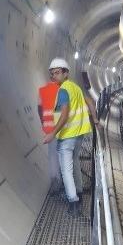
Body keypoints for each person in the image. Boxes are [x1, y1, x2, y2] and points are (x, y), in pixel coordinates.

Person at [43, 58, 99, 215]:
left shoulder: (63, 91)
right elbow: (89, 102)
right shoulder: (75, 87)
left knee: (66, 170)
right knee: (74, 164)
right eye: (52, 74)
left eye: (58, 73)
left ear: (66, 73)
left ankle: (73, 202)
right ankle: (79, 193)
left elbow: (65, 113)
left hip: (67, 136)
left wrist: (52, 134)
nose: (54, 76)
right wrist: (94, 119)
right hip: (79, 134)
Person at [38, 59, 62, 189]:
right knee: (63, 154)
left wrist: (43, 123)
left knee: (52, 156)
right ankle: (65, 180)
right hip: (62, 128)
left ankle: (55, 181)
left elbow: (39, 109)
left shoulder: (42, 90)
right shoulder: (61, 90)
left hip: (49, 129)